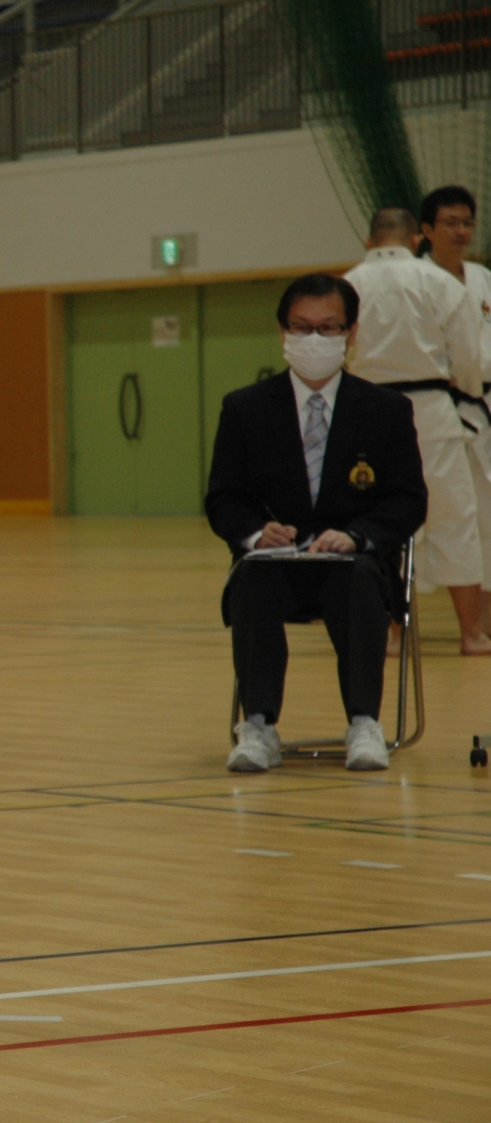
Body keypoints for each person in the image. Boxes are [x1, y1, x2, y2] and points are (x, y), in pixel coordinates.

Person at [207, 274, 427, 772]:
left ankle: (364, 722)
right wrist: (256, 533)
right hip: (277, 563)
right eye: (302, 327)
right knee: (252, 578)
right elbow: (223, 498)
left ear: (351, 333)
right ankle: (258, 725)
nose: (314, 339)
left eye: (328, 328)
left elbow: (409, 500)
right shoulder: (244, 409)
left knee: (358, 581)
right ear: (282, 331)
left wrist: (357, 537)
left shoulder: (387, 411)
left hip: (353, 566)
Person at [344, 206, 490, 655]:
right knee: (454, 519)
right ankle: (471, 634)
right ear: (415, 239)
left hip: (368, 414)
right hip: (431, 411)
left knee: (380, 519)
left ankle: (391, 634)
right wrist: (468, 387)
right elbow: (469, 357)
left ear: (370, 242)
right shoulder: (439, 282)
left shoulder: (347, 285)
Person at [418, 184, 491, 643]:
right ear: (427, 230)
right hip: (438, 406)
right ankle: (399, 620)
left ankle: (484, 620)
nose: (461, 231)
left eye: (467, 222)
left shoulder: (483, 278)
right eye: (450, 222)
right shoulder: (417, 280)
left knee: (487, 516)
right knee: (444, 516)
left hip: (484, 406)